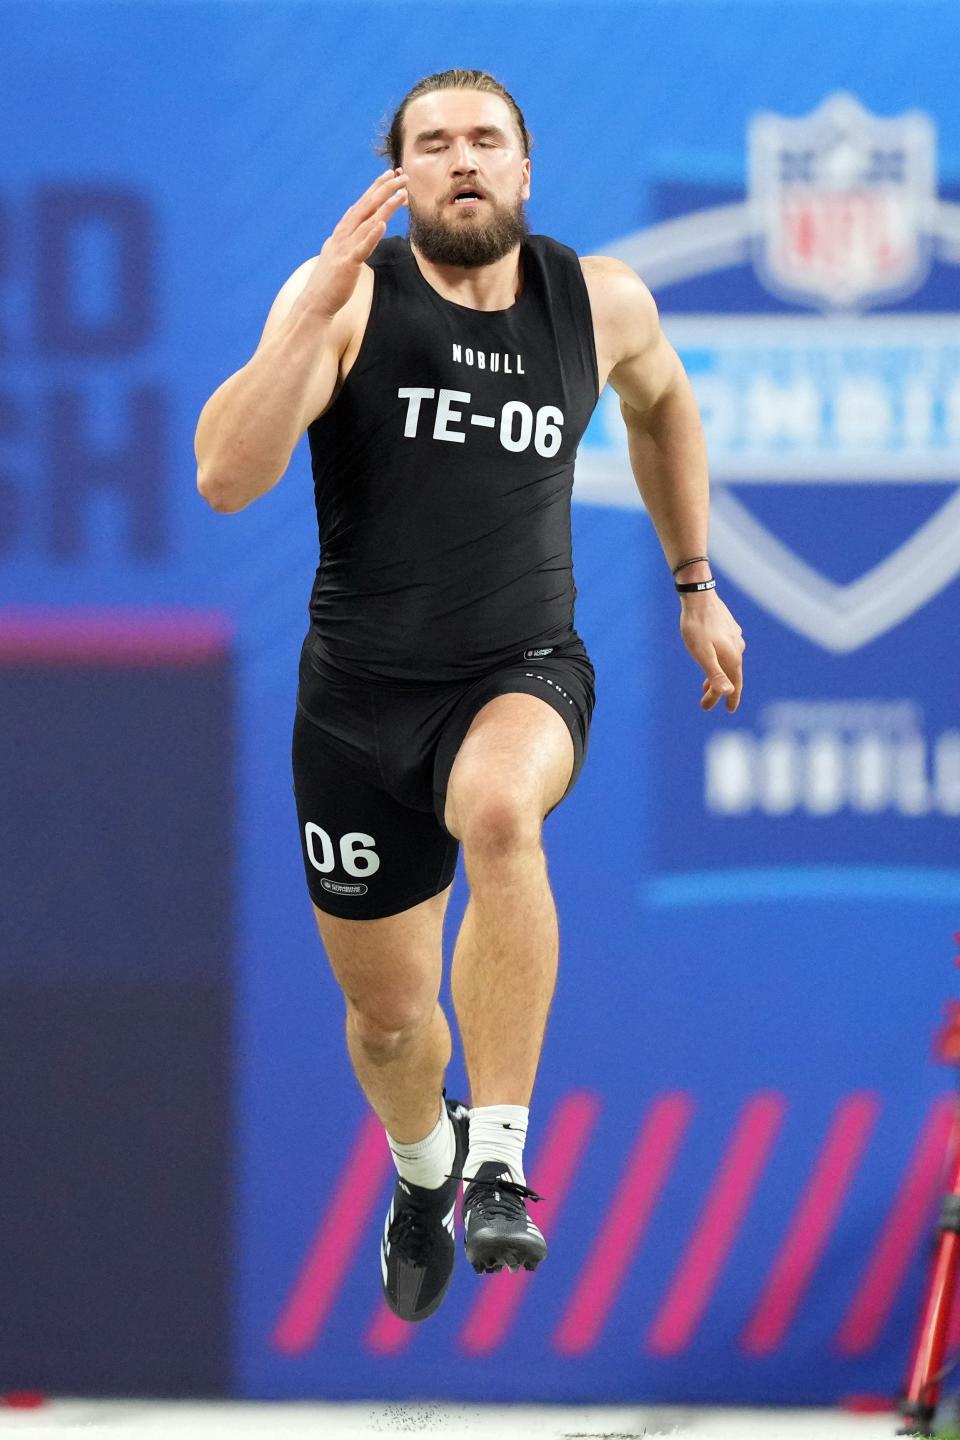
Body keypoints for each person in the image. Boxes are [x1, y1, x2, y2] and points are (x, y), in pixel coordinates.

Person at [194, 68, 746, 1325]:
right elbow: (227, 477)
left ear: (524, 169)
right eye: (431, 143)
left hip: (520, 672)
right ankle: (424, 1166)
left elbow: (663, 409)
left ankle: (498, 1160)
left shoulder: (597, 300)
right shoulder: (345, 298)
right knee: (390, 1028)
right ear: (401, 175)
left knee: (502, 810)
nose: (460, 160)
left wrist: (694, 580)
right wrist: (307, 317)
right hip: (355, 705)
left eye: (484, 140)